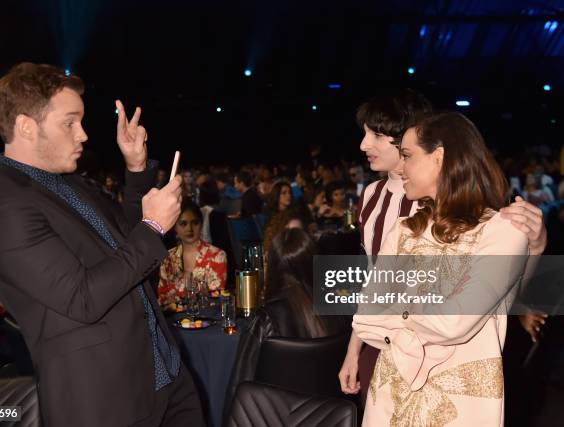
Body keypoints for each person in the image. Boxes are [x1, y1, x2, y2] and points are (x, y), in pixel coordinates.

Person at [0, 62, 203, 427]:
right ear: (26, 126)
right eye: (69, 122)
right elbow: (83, 298)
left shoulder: (67, 183)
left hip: (165, 374)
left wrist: (136, 168)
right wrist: (153, 225)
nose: (83, 135)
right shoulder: (0, 211)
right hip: (108, 401)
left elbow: (126, 242)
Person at [338, 90, 547, 411]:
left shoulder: (496, 225)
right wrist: (355, 349)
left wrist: (536, 247)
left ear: (436, 156)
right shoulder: (386, 210)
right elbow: (367, 308)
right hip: (389, 366)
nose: (364, 145)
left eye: (377, 135)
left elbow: (463, 316)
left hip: (457, 384)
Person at [226, 228, 349, 406]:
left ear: (273, 266)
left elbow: (239, 385)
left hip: (277, 415)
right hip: (331, 414)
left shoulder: (265, 319)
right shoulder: (342, 309)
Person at [158, 199, 227, 308]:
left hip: (207, 320)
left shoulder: (217, 255)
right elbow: (162, 299)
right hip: (173, 321)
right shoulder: (167, 257)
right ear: (175, 227)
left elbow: (216, 300)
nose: (189, 228)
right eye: (183, 223)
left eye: (194, 223)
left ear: (201, 224)